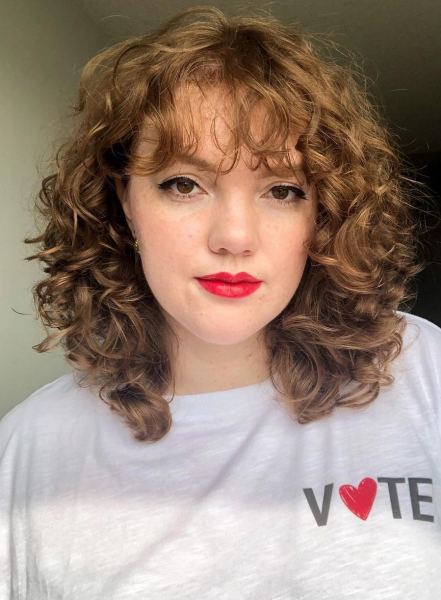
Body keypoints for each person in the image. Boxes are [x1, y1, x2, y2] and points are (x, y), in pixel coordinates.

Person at [1, 5, 440, 599]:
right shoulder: (29, 449)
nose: (234, 236)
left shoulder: (422, 371)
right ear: (125, 202)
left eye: (282, 190)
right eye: (184, 184)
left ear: (323, 213)